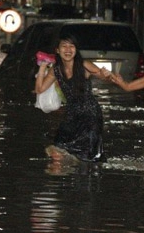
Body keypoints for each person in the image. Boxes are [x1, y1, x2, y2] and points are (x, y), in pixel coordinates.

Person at [34, 33, 112, 162]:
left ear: (76, 50)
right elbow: (39, 89)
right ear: (57, 51)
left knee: (88, 155)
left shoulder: (84, 65)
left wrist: (106, 74)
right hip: (72, 115)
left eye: (72, 46)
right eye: (64, 46)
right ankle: (62, 179)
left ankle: (87, 178)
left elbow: (103, 76)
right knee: (58, 147)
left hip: (90, 115)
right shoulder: (56, 70)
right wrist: (42, 67)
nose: (68, 50)